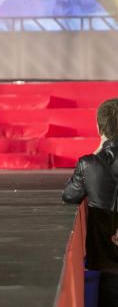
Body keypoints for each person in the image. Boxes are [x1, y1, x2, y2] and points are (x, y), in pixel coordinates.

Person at [62, 98, 118, 305]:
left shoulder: (89, 164)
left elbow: (69, 195)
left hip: (107, 258)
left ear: (99, 128)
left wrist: (97, 152)